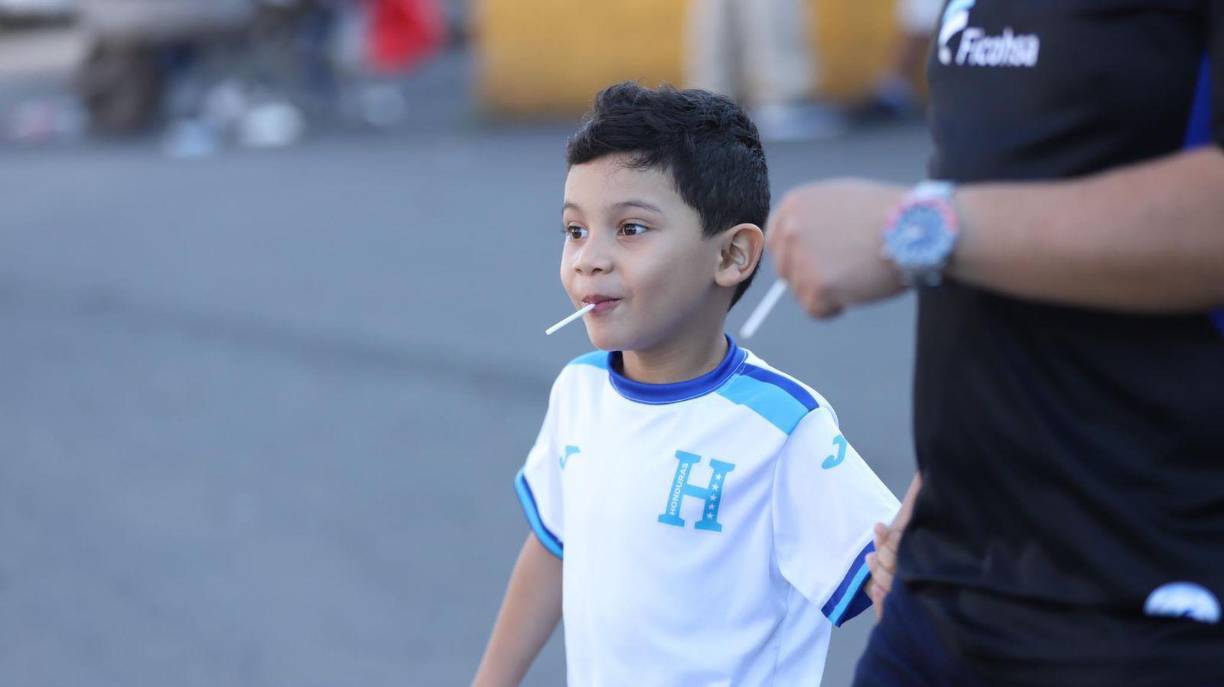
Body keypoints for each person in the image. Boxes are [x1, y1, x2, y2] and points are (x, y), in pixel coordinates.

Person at [765, 2, 1224, 685]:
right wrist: (944, 477)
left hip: (1147, 595)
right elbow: (1014, 170)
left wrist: (919, 228)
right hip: (948, 583)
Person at [471, 82, 901, 686]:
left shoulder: (782, 427)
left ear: (732, 256)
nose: (588, 258)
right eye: (575, 230)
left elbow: (902, 578)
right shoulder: (579, 392)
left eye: (630, 228)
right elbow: (553, 547)